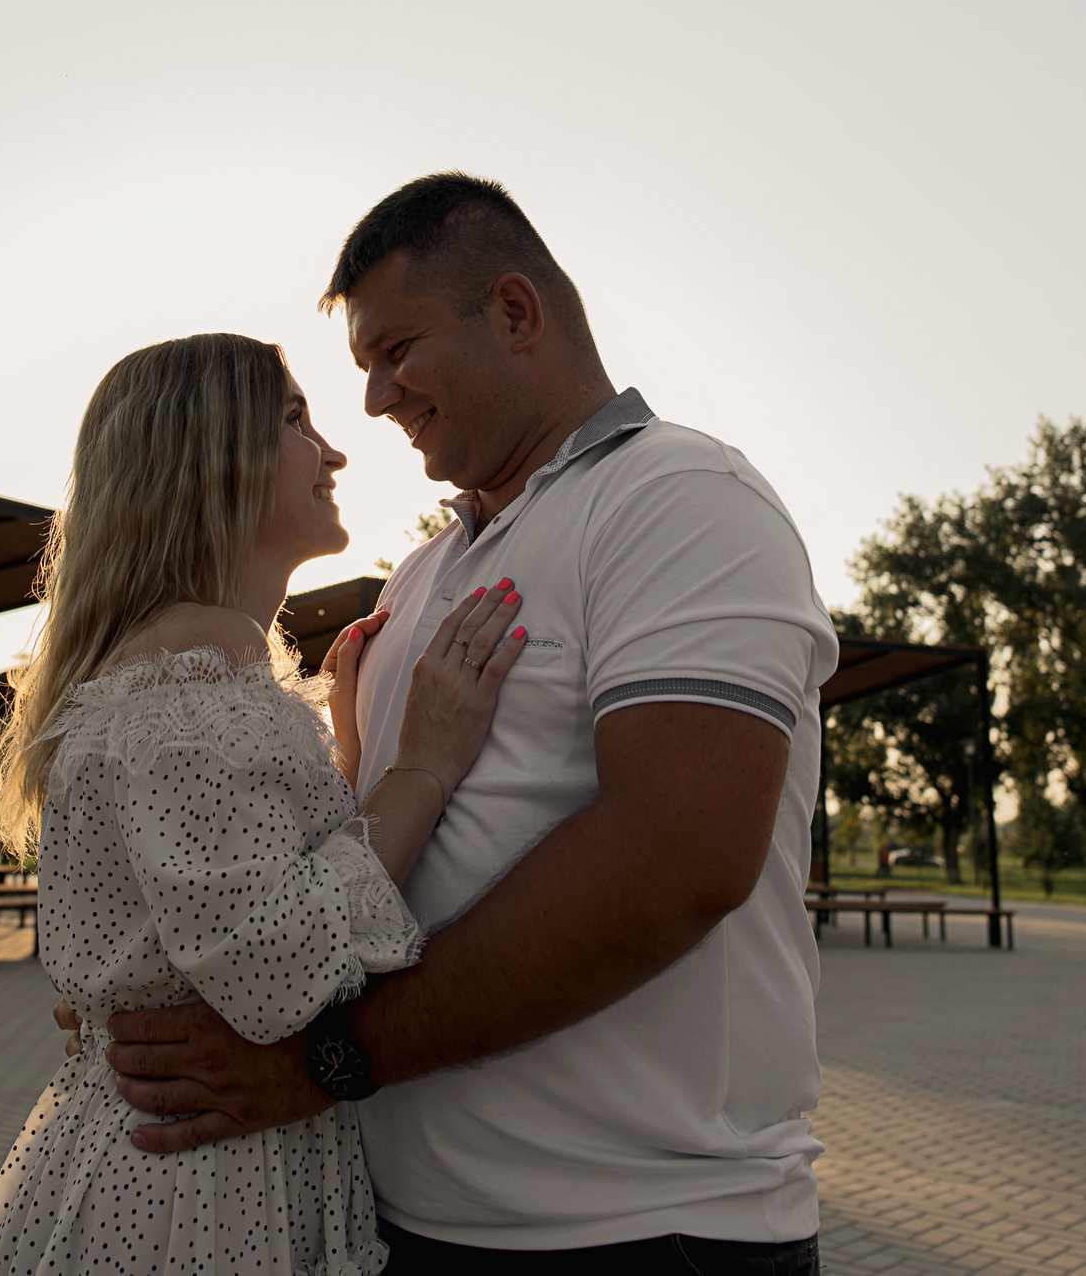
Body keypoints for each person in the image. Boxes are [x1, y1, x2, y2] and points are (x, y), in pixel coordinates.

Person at [98, 174, 840, 1273]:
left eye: (396, 349)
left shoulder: (679, 495)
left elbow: (677, 858)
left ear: (516, 312)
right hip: (398, 1220)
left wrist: (325, 1062)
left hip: (637, 1229)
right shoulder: (421, 570)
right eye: (357, 371)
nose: (375, 400)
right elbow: (328, 868)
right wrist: (137, 982)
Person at [0, 333, 528, 1275]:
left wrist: (345, 756)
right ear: (208, 454)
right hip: (199, 1193)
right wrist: (421, 766)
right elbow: (275, 971)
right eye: (297, 419)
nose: (336, 450)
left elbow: (223, 908)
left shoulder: (198, 678)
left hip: (194, 1164)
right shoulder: (189, 689)